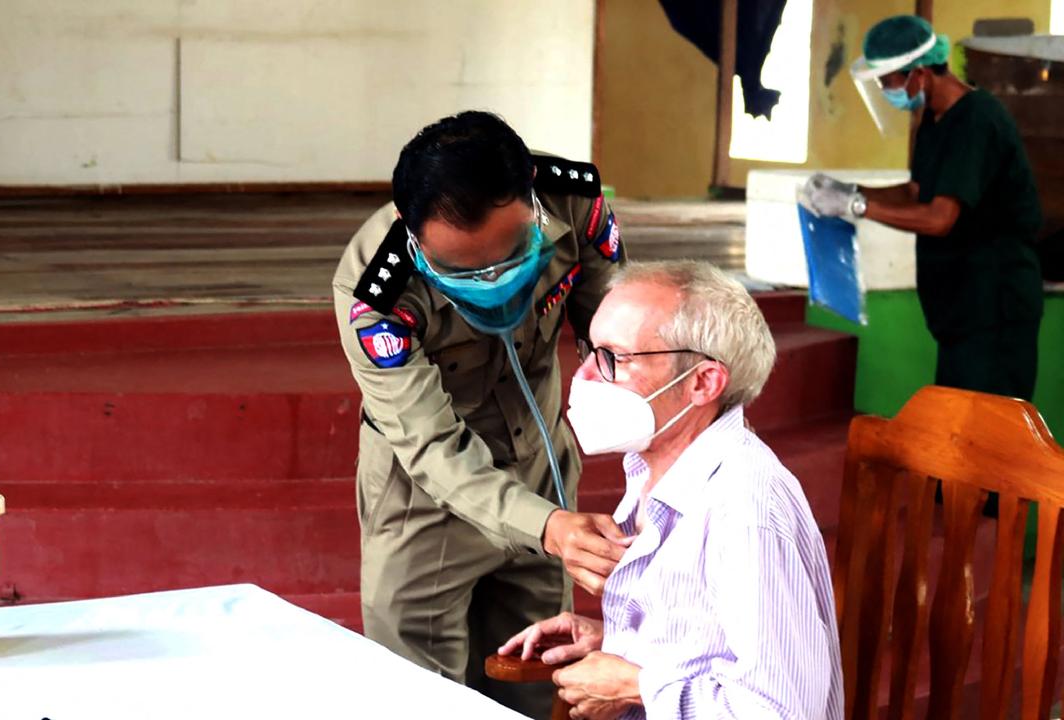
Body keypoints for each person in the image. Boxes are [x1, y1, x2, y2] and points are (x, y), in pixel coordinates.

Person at [331, 111, 631, 717]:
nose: (493, 281)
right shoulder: (376, 292)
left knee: (532, 680)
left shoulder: (572, 200)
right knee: (417, 697)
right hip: (426, 503)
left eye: (513, 253)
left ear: (531, 204)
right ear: (410, 231)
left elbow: (626, 340)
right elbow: (431, 448)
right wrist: (547, 527)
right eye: (463, 270)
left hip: (540, 469)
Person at [499, 261, 843, 719]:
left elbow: (778, 711)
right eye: (588, 350)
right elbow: (709, 637)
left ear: (702, 382)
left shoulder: (743, 510)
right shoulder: (655, 467)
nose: (582, 376)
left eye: (612, 358)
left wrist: (635, 682)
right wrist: (621, 644)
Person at [802, 14, 1043, 401]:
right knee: (955, 424)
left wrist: (857, 205)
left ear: (918, 74)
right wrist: (851, 189)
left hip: (995, 310)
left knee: (989, 433)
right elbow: (918, 192)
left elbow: (939, 218)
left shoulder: (978, 119)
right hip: (961, 314)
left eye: (887, 81)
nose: (885, 91)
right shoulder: (935, 120)